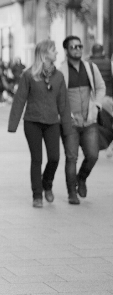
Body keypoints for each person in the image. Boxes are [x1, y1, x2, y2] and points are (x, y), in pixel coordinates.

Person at [9, 40, 73, 207]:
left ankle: (47, 183)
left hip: (52, 122)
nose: (57, 53)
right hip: (32, 122)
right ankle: (37, 195)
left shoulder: (59, 76)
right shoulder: (28, 75)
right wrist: (13, 124)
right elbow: (19, 99)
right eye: (54, 50)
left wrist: (67, 127)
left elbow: (63, 104)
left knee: (54, 158)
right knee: (36, 159)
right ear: (45, 53)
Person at [60, 36, 106, 204]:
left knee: (93, 155)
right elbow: (59, 96)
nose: (78, 49)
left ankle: (81, 178)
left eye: (80, 46)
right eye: (73, 47)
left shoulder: (91, 67)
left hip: (89, 121)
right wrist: (68, 115)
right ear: (67, 50)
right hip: (70, 122)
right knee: (71, 157)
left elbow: (101, 87)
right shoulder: (61, 71)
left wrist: (97, 105)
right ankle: (72, 192)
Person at [90, 43, 113, 114]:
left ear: (91, 52)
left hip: (91, 99)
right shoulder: (109, 62)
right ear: (103, 52)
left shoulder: (86, 63)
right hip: (107, 98)